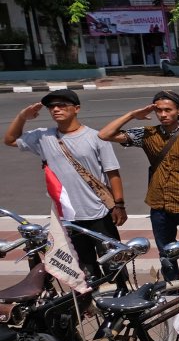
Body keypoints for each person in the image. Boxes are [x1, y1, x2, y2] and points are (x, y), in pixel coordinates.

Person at [5, 90, 130, 288]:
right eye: (52, 107)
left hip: (99, 214)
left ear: (76, 109)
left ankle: (124, 300)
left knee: (114, 264)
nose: (56, 109)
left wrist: (119, 204)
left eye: (62, 105)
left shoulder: (96, 137)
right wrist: (23, 116)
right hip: (69, 217)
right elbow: (10, 140)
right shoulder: (43, 137)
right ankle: (93, 304)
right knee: (86, 267)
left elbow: (112, 173)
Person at [98, 90, 179, 281]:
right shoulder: (147, 134)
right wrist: (132, 115)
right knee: (166, 255)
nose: (163, 114)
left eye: (168, 110)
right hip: (159, 206)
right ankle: (172, 292)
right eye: (159, 110)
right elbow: (105, 134)